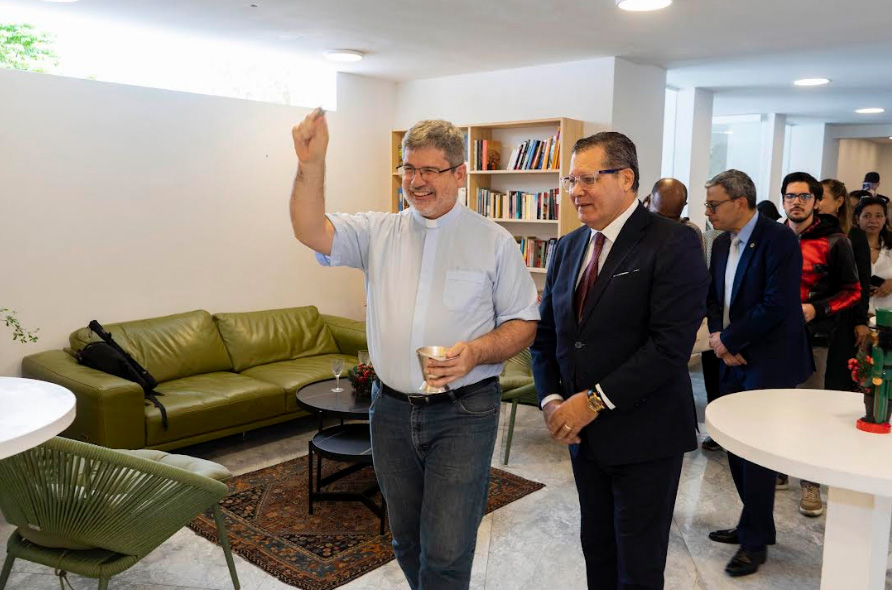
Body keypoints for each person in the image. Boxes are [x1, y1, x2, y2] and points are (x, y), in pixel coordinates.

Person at [289, 112, 539, 590]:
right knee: (404, 538)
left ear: (460, 174)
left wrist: (476, 352)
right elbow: (309, 230)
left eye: (430, 170)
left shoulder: (494, 241)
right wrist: (311, 164)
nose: (417, 181)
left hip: (464, 412)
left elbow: (524, 323)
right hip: (390, 412)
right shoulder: (377, 231)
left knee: (446, 549)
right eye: (408, 168)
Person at [531, 132, 709, 589]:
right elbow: (547, 335)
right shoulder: (568, 246)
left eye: (588, 179)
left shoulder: (673, 242)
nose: (575, 191)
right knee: (598, 551)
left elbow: (669, 347)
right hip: (584, 439)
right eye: (571, 180)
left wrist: (591, 401)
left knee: (638, 567)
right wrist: (551, 400)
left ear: (626, 178)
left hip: (645, 436)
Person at [704, 169, 812, 577]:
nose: (708, 212)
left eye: (714, 204)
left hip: (768, 360)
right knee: (734, 445)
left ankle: (755, 542)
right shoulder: (719, 242)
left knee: (759, 454)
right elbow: (713, 297)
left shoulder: (778, 239)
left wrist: (730, 340)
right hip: (731, 355)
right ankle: (753, 522)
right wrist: (719, 337)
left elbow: (777, 304)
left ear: (740, 202)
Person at [780, 172, 860, 517]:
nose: (796, 202)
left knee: (808, 411)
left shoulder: (835, 241)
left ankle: (810, 483)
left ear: (816, 201)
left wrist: (818, 308)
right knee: (773, 406)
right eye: (790, 196)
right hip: (771, 338)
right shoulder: (774, 236)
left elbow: (853, 291)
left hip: (815, 338)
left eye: (804, 196)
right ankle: (778, 466)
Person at [821, 179, 871, 392]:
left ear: (839, 201)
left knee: (836, 375)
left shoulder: (854, 236)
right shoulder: (810, 232)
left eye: (821, 197)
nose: (816, 202)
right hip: (816, 312)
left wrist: (860, 320)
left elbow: (863, 279)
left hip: (844, 314)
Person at [855, 197, 892, 315]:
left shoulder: (890, 247)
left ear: (885, 219)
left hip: (887, 315)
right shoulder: (847, 247)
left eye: (879, 216)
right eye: (867, 216)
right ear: (857, 219)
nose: (873, 220)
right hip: (856, 316)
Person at [645, 177, 705, 248]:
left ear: (683, 206)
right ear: (649, 201)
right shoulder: (637, 226)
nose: (666, 224)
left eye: (673, 219)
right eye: (660, 217)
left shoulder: (689, 232)